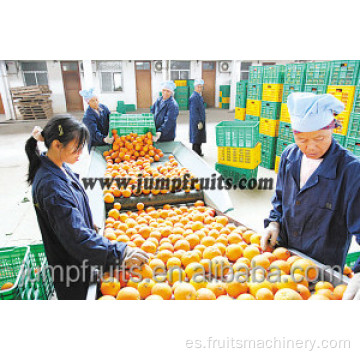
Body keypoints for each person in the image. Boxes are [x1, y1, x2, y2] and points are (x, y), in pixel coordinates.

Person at [25, 115, 149, 300]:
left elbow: (71, 215)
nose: (81, 153)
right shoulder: (51, 186)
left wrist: (89, 224)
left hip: (80, 259)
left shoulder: (59, 167)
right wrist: (120, 252)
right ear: (57, 145)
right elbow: (76, 238)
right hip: (72, 269)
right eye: (77, 148)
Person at [260, 93, 360, 300]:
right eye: (302, 139)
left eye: (320, 138)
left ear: (333, 128)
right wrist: (273, 223)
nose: (311, 147)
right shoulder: (289, 156)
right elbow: (279, 198)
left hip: (323, 270)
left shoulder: (351, 171)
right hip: (284, 258)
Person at [189, 79, 206, 156]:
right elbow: (194, 111)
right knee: (196, 138)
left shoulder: (199, 96)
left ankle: (199, 151)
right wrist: (198, 121)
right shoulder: (194, 97)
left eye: (201, 87)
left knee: (199, 137)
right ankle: (195, 153)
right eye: (198, 86)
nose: (199, 88)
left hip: (200, 120)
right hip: (196, 121)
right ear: (195, 87)